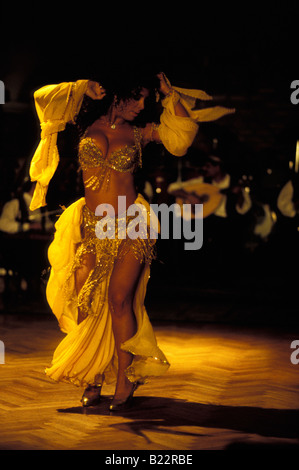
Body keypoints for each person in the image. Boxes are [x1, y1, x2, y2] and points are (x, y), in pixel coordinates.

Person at [29, 71, 234, 411]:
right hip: (92, 225)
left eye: (145, 99)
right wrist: (82, 87)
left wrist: (169, 96)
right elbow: (42, 97)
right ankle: (91, 376)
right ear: (116, 95)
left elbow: (180, 137)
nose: (142, 105)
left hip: (131, 224)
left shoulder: (140, 133)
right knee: (86, 302)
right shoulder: (83, 126)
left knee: (120, 299)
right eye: (136, 98)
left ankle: (126, 378)